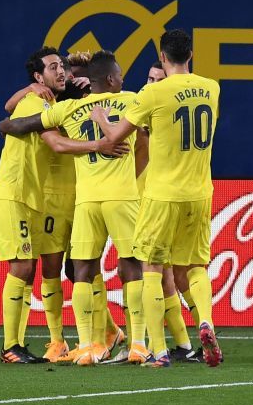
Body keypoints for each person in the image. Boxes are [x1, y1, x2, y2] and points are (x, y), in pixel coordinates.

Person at [0, 50, 149, 366]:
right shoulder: (120, 100)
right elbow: (10, 114)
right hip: (59, 196)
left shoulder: (68, 106)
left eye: (67, 69)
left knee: (82, 267)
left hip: (80, 197)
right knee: (82, 268)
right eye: (59, 68)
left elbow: (10, 121)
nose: (66, 73)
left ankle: (97, 340)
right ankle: (122, 342)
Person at [90, 29, 223, 367]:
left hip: (162, 194)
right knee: (195, 267)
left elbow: (115, 139)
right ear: (190, 55)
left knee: (152, 267)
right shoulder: (212, 88)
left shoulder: (152, 94)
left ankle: (160, 352)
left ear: (163, 57)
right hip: (199, 193)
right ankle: (204, 321)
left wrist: (101, 118)